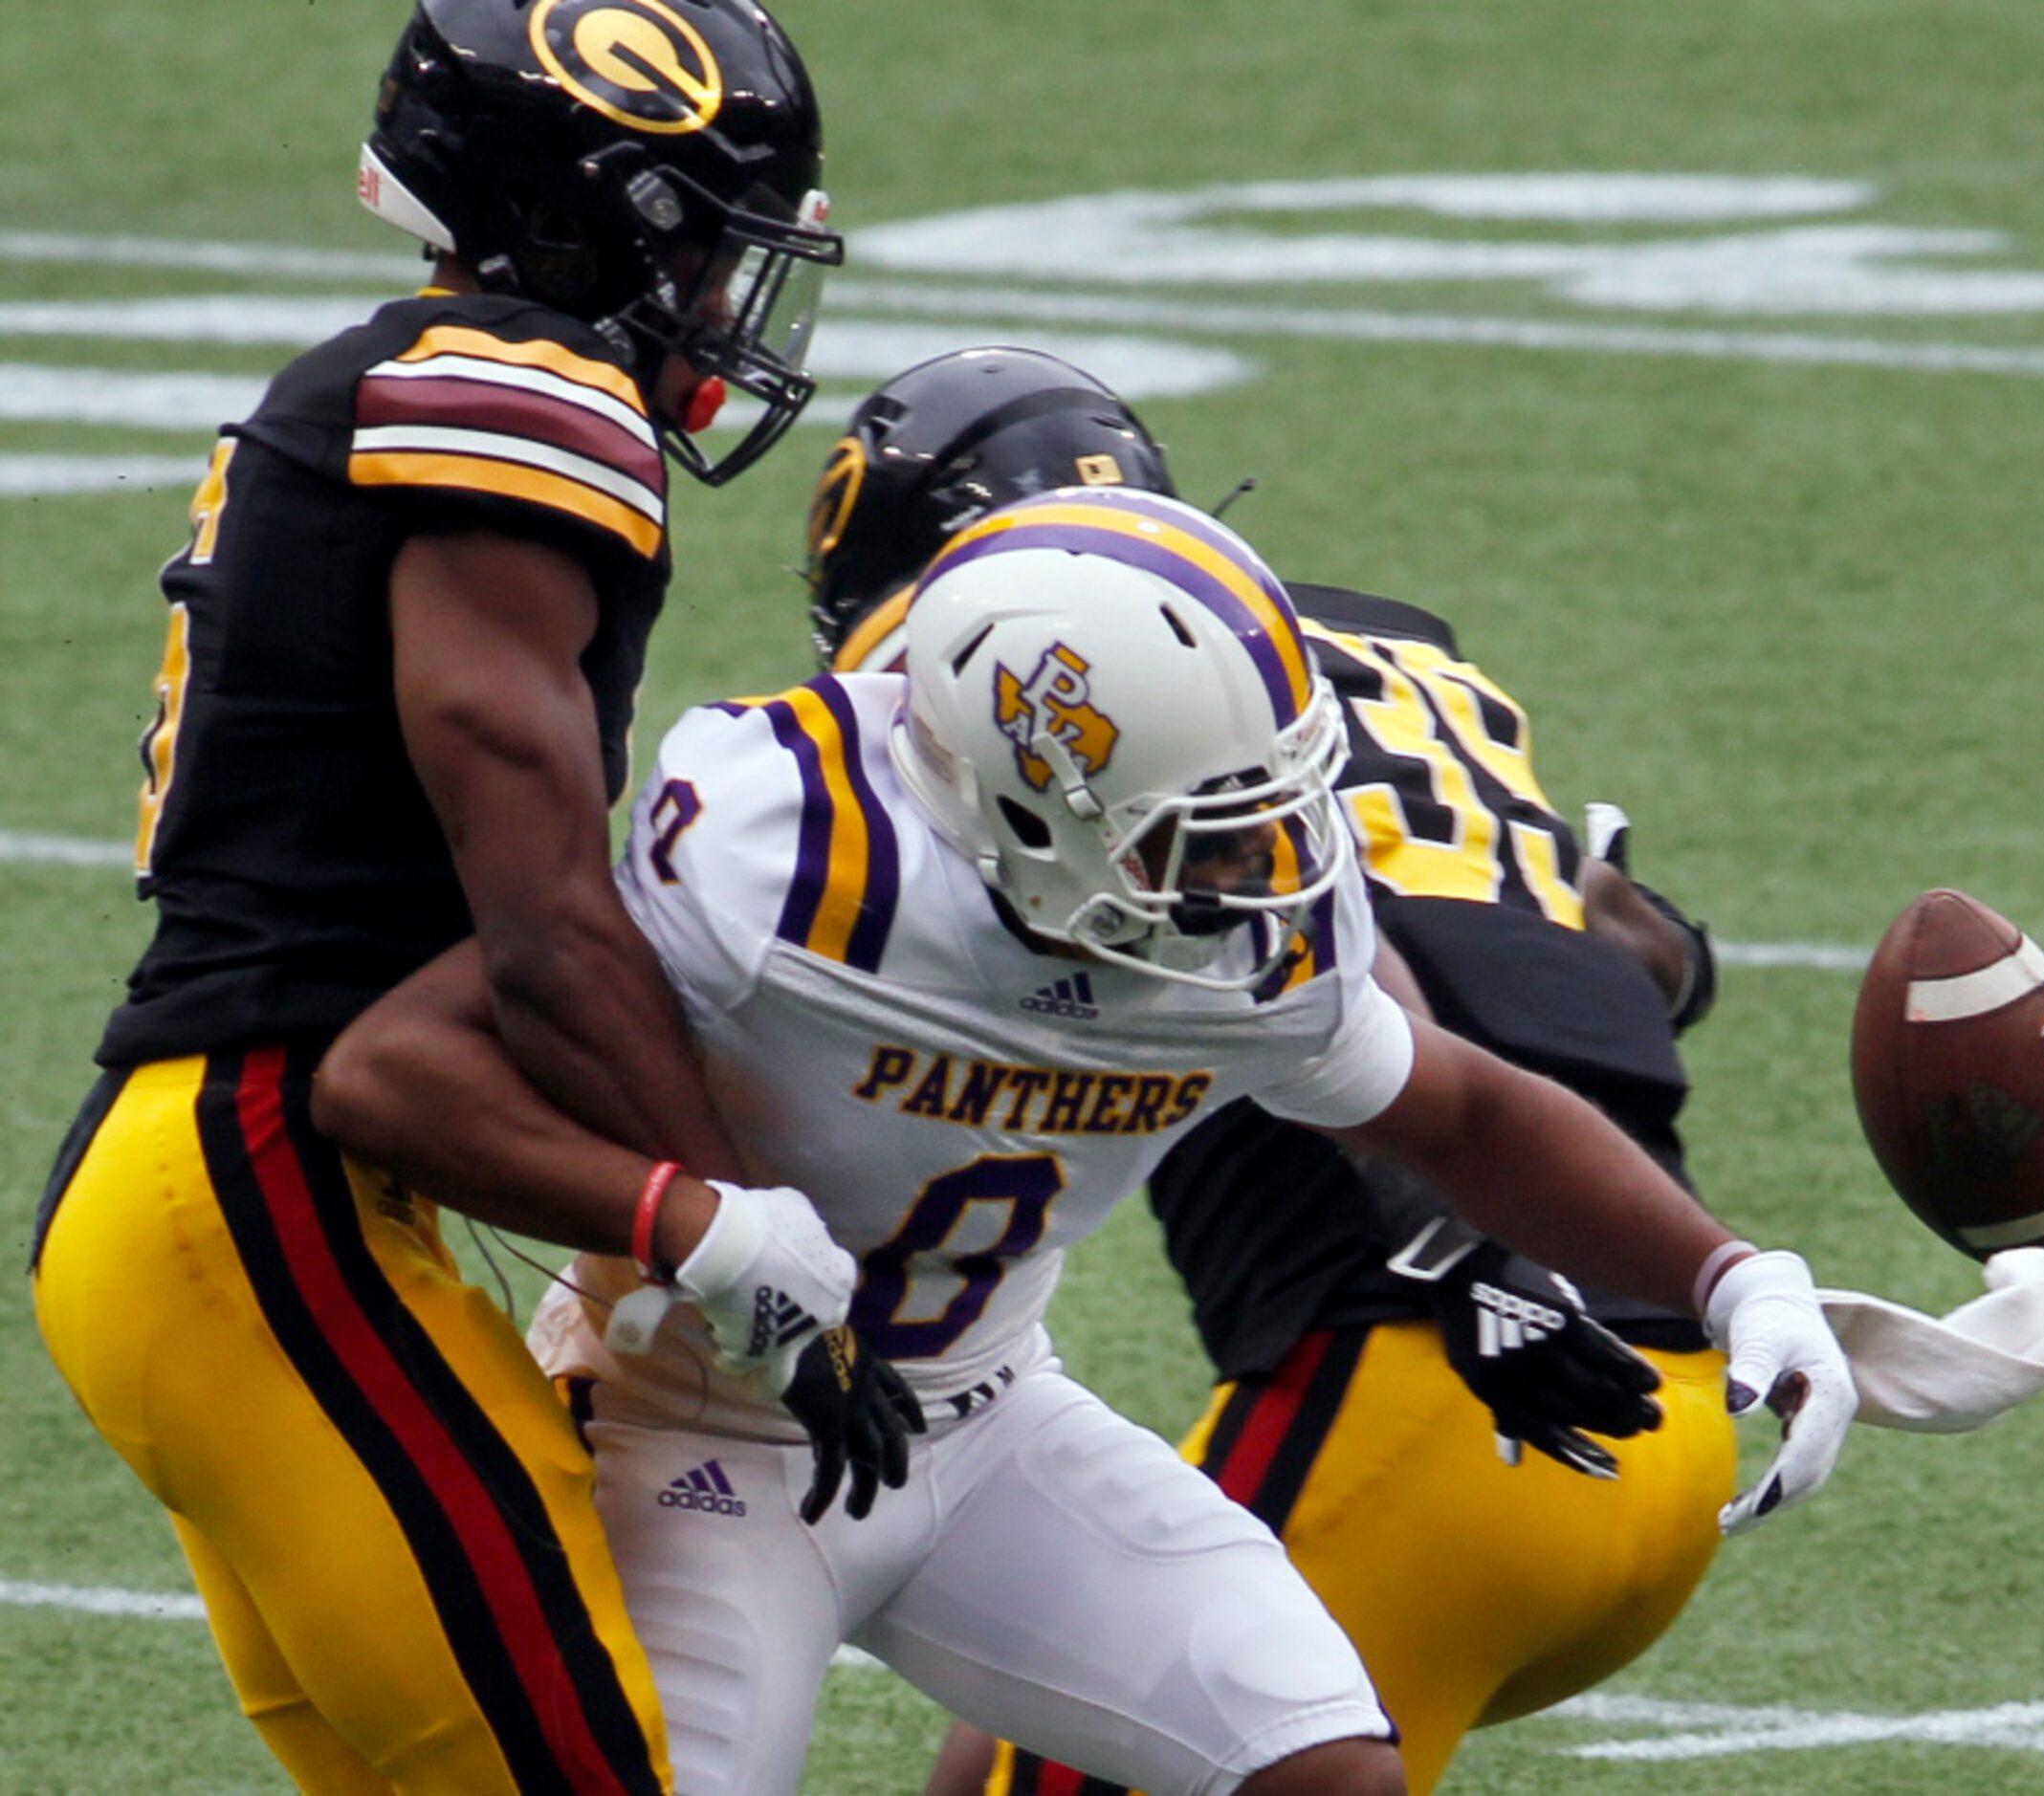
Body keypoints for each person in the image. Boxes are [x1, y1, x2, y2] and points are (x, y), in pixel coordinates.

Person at [311, 483, 1860, 1796]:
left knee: (1317, 1763)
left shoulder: (1252, 910)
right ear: (1025, 793)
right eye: (1202, 826)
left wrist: (1733, 1276)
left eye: (1270, 804)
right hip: (693, 1426)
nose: (1265, 864)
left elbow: (1450, 1107)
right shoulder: (790, 856)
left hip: (988, 1418)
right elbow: (395, 1073)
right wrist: (697, 1222)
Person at [29, 2, 846, 1789]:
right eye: (705, 248)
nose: (723, 305)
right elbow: (545, 923)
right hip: (265, 1194)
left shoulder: (401, 382)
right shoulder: (511, 387)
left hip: (217, 1196)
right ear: (595, 217)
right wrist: (756, 1232)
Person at [806, 347, 1734, 1796]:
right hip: (1664, 1407)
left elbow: (1372, 1008)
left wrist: (1460, 1245)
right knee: (998, 1750)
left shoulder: (1019, 691)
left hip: (1430, 1375)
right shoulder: (1376, 659)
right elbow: (1644, 950)